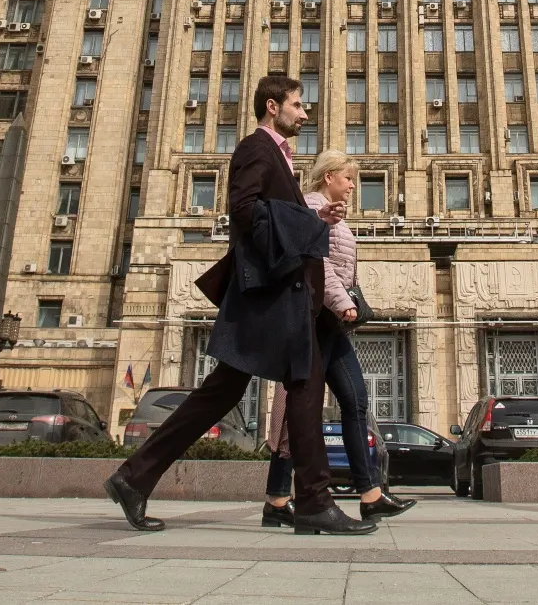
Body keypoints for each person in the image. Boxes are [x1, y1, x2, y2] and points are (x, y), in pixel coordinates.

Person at [104, 75, 376, 536]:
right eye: (297, 105)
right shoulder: (256, 147)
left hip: (281, 297)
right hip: (270, 298)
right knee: (293, 388)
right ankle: (311, 502)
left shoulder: (279, 157)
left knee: (236, 392)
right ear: (273, 107)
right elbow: (245, 211)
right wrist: (307, 220)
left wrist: (313, 218)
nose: (304, 114)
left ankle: (134, 478)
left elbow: (276, 215)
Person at [260, 150, 415, 526]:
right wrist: (343, 302)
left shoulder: (331, 212)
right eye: (347, 178)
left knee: (355, 401)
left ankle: (369, 493)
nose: (351, 186)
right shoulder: (313, 208)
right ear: (328, 177)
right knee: (296, 410)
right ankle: (279, 501)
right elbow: (318, 264)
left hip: (330, 322)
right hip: (315, 319)